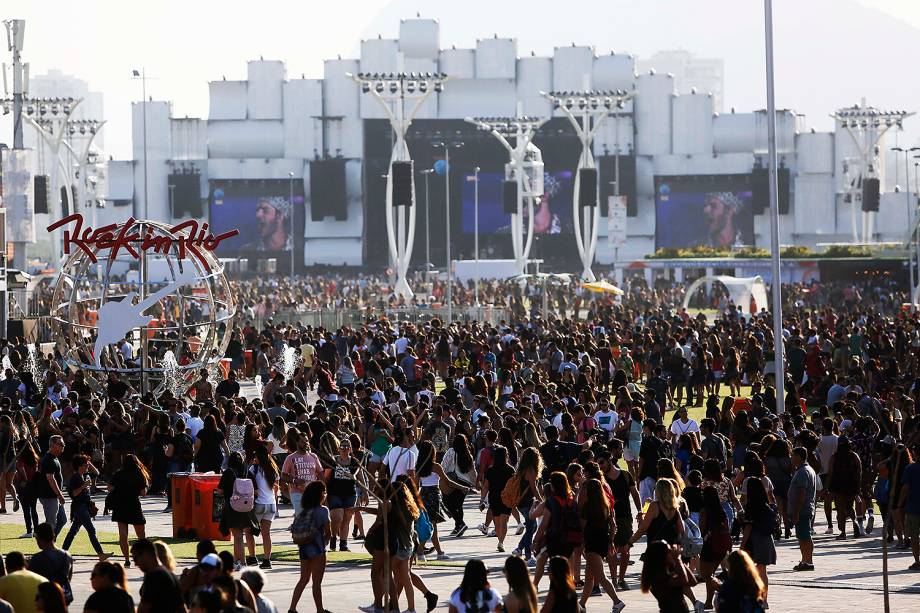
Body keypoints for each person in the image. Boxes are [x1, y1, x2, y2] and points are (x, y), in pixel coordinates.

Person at [576, 478, 625, 612]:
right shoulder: (606, 505)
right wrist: (610, 541)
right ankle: (582, 605)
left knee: (601, 576)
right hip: (603, 541)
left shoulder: (587, 507)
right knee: (589, 576)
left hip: (591, 542)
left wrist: (581, 545)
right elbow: (613, 526)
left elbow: (582, 527)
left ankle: (617, 602)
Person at [288, 480, 331, 613]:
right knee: (316, 582)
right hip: (317, 548)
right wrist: (326, 541)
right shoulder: (323, 510)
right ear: (321, 495)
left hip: (303, 547)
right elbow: (328, 532)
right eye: (324, 492)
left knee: (303, 579)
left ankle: (292, 608)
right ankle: (320, 610)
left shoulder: (303, 511)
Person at [61, 455, 111, 561]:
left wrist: (88, 462)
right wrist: (84, 486)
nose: (87, 466)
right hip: (79, 508)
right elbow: (74, 493)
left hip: (83, 507)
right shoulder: (75, 478)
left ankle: (62, 553)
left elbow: (97, 473)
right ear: (79, 466)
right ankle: (100, 554)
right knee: (91, 530)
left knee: (72, 532)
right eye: (85, 465)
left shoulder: (83, 475)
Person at [218, 452, 260, 570]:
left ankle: (242, 562)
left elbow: (220, 491)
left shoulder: (228, 473)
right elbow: (256, 491)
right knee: (244, 534)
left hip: (232, 507)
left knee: (237, 536)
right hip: (247, 508)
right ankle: (237, 561)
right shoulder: (247, 472)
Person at [739, 478, 777, 608]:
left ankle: (756, 597)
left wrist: (742, 544)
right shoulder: (766, 505)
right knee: (763, 571)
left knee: (750, 570)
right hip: (767, 539)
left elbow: (748, 527)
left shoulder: (751, 505)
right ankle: (764, 599)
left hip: (756, 540)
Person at [108, 453, 149, 567]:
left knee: (123, 534)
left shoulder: (118, 474)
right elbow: (143, 493)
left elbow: (109, 487)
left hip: (120, 505)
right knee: (140, 534)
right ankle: (142, 557)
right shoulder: (139, 474)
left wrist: (119, 488)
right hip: (133, 504)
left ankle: (126, 559)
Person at [323, 436, 362, 553]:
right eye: (342, 447)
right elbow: (326, 477)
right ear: (338, 449)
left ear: (350, 449)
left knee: (347, 518)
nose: (344, 449)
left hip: (350, 494)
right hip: (334, 493)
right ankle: (333, 537)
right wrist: (323, 493)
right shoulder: (333, 460)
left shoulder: (354, 462)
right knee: (337, 516)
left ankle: (343, 544)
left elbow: (360, 478)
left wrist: (365, 492)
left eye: (347, 447)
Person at [130, 538, 186, 613]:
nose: (136, 564)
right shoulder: (171, 575)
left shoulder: (153, 576)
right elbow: (182, 608)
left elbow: (143, 609)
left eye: (136, 559)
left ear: (145, 554)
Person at [27, 523, 73, 605]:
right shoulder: (67, 556)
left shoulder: (37, 559)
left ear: (39, 538)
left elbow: (30, 581)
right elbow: (68, 578)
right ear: (53, 536)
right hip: (63, 596)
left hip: (46, 598)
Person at [787, 447, 817, 571]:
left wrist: (796, 512)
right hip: (805, 509)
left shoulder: (803, 471)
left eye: (792, 455)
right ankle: (804, 560)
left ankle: (808, 561)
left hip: (803, 510)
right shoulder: (804, 470)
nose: (791, 458)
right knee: (802, 536)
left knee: (805, 536)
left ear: (799, 456)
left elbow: (801, 493)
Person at [250, 445, 279, 568]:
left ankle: (252, 557)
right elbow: (276, 487)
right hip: (271, 504)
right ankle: (267, 560)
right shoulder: (273, 469)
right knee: (266, 534)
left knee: (249, 531)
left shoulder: (254, 469)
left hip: (259, 504)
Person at [481, 445, 515, 552]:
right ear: (506, 456)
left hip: (494, 498)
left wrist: (482, 499)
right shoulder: (510, 469)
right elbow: (514, 485)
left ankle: (500, 542)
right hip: (506, 498)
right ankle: (501, 542)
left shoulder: (490, 470)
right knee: (504, 522)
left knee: (498, 522)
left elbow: (486, 486)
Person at [281, 429, 324, 512]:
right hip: (297, 493)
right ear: (297, 442)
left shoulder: (313, 456)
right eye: (302, 441)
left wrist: (323, 489)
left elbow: (321, 474)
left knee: (313, 518)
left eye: (307, 441)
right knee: (302, 517)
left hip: (312, 492)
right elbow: (283, 476)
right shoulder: (290, 458)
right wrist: (295, 480)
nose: (306, 443)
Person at [36, 435, 67, 536]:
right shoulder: (48, 459)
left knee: (62, 520)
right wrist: (59, 494)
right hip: (49, 496)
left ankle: (50, 541)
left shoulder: (55, 458)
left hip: (54, 496)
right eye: (61, 444)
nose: (63, 446)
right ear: (52, 445)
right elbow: (50, 478)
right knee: (51, 523)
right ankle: (45, 543)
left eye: (63, 444)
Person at [896, 449, 920, 570]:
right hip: (913, 507)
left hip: (913, 507)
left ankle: (917, 561)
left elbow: (905, 488)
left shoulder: (910, 469)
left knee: (914, 537)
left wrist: (899, 504)